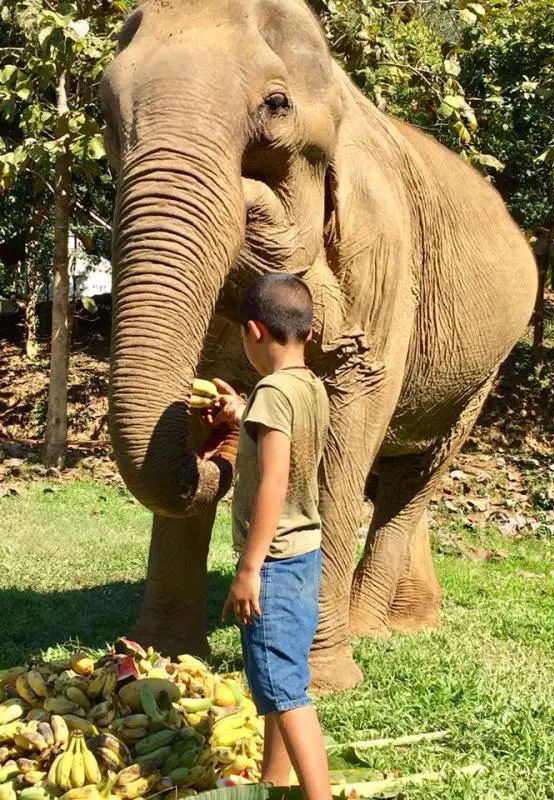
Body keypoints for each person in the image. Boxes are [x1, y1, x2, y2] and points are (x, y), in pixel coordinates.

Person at [194, 273, 331, 800]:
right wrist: (240, 413)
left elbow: (274, 481)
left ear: (252, 331)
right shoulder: (307, 386)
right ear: (307, 333)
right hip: (304, 553)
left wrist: (248, 570)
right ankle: (276, 780)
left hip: (271, 562)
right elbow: (281, 436)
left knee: (286, 691)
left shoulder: (273, 392)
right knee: (280, 678)